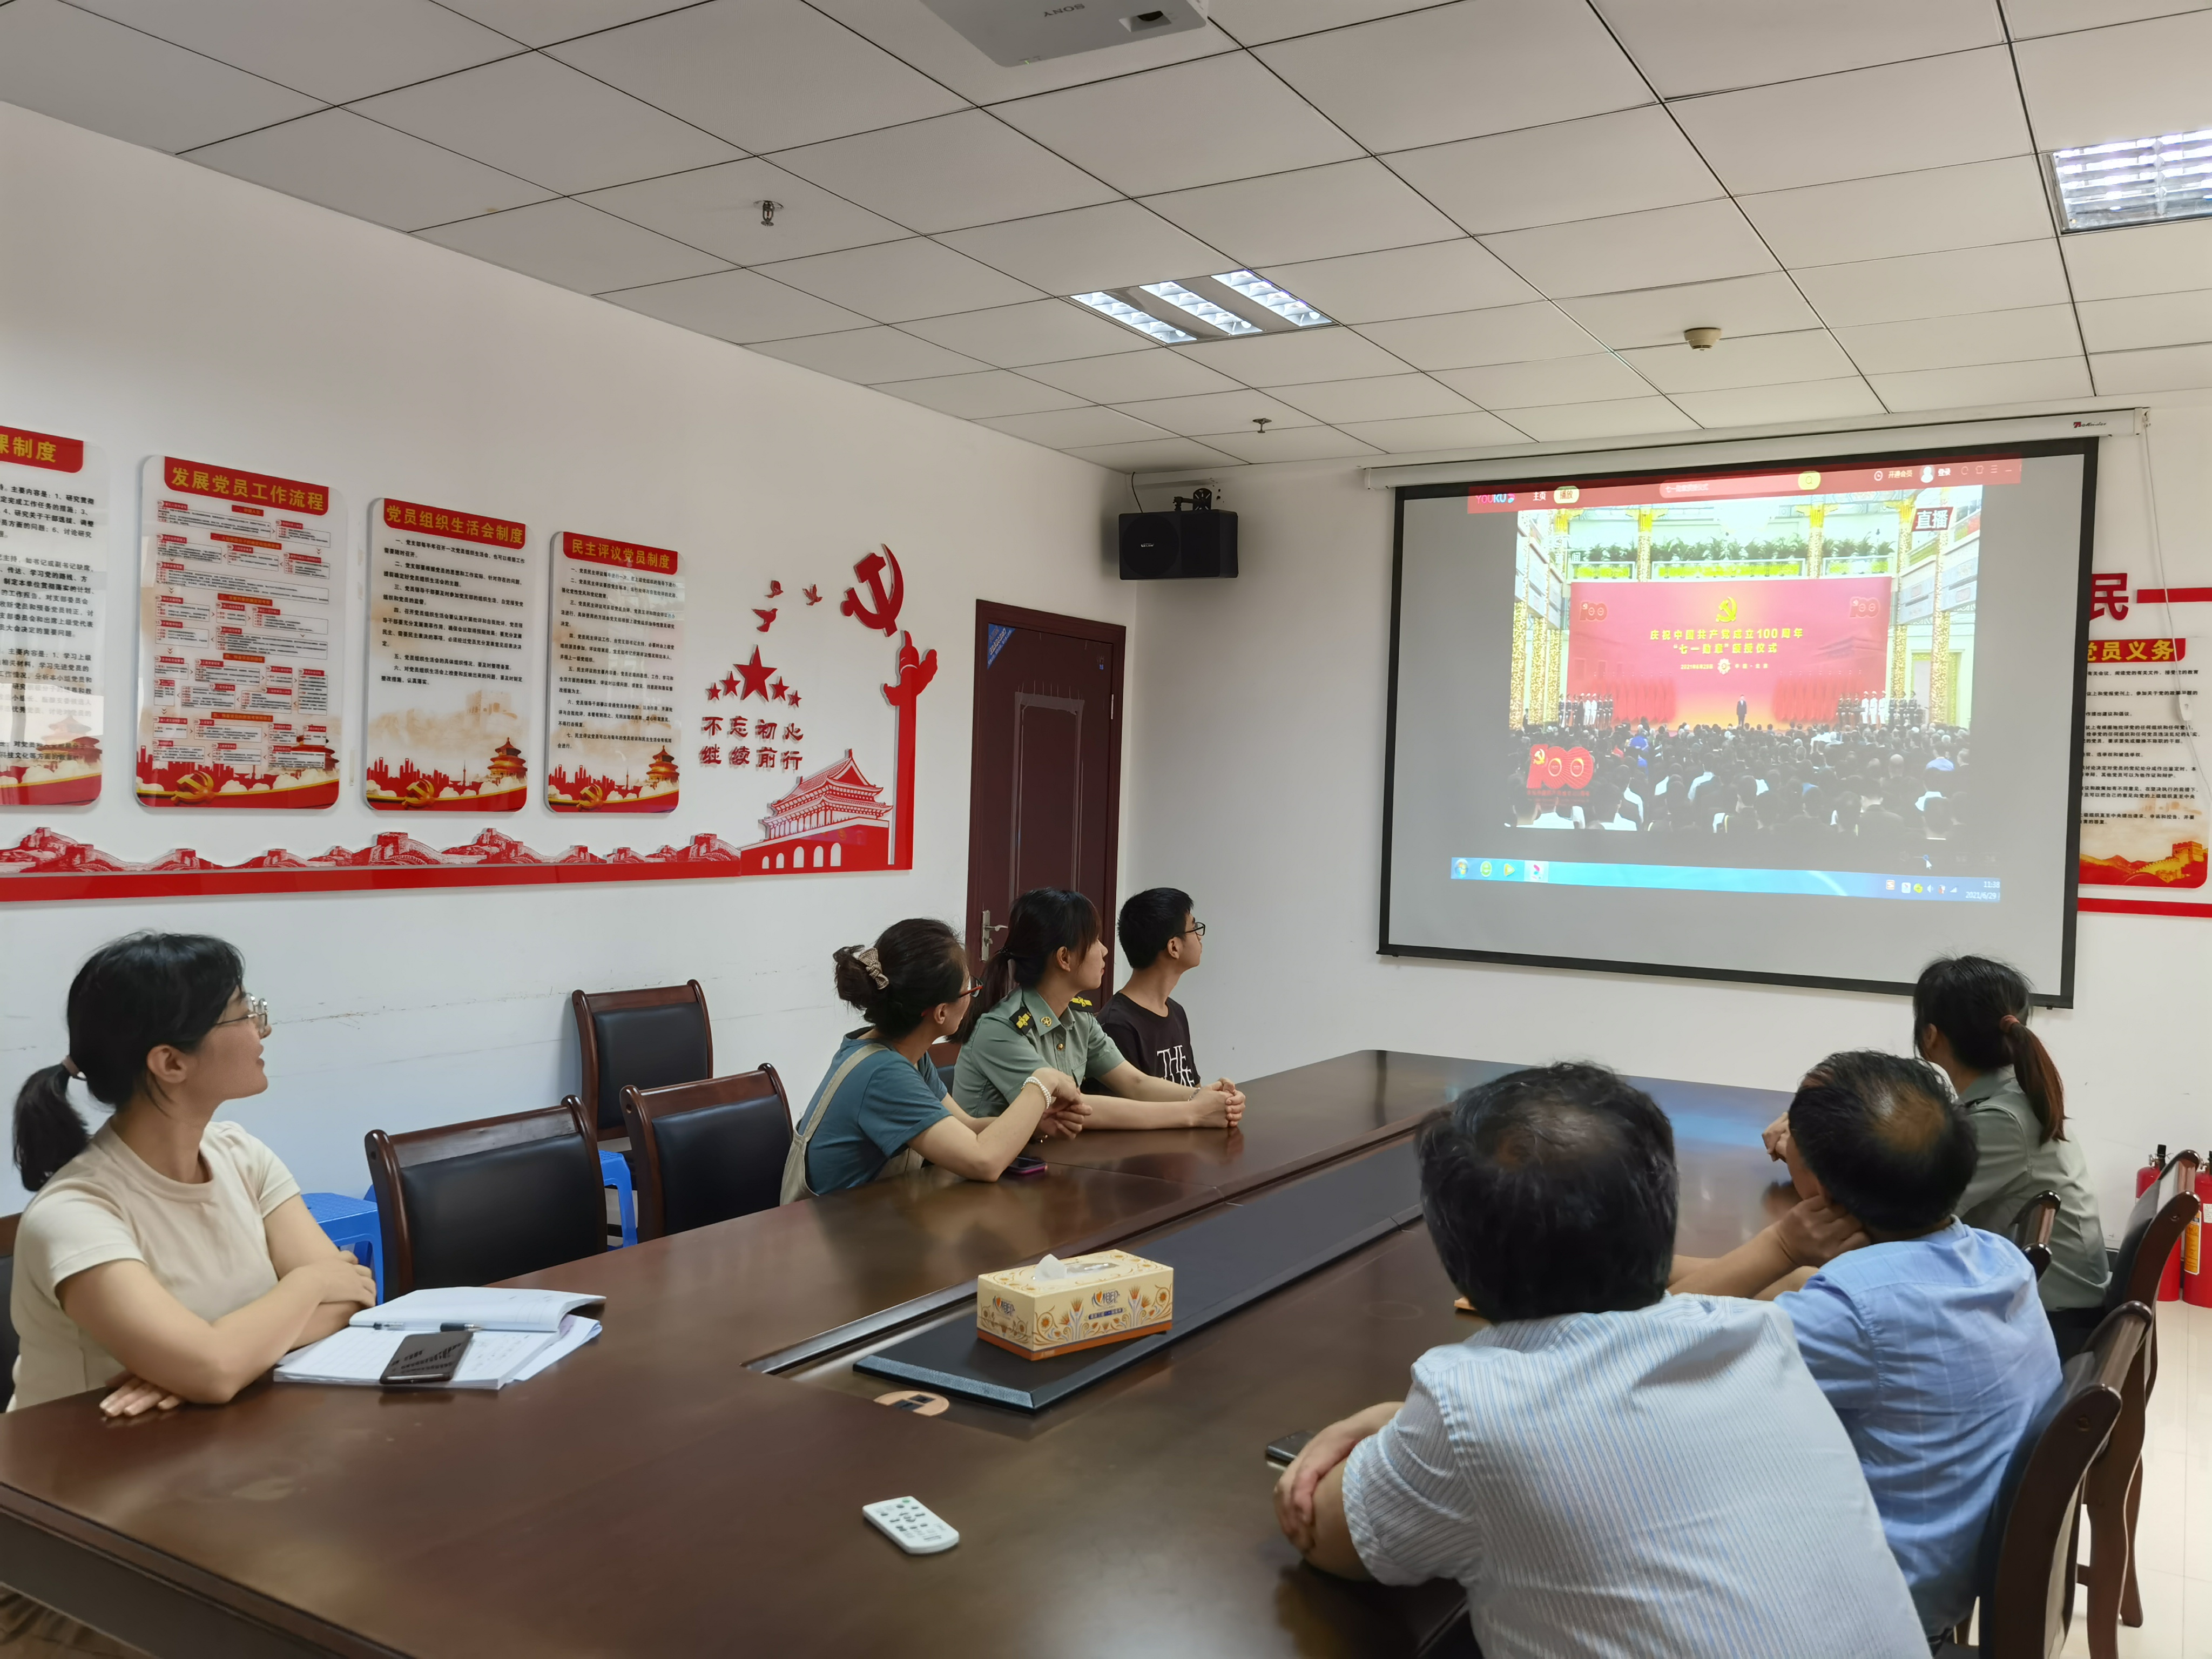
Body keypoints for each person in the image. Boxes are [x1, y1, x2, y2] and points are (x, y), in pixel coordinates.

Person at [1272, 1063, 1925, 1658]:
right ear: (1661, 1212)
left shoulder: (1475, 1404)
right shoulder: (1758, 1336)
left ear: (1454, 1252)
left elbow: (1322, 1528)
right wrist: (1399, 1420)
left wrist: (1387, 1428)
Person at [6, 934, 380, 1653]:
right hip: (71, 1557)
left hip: (212, 1491)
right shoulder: (76, 1214)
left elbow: (352, 1299)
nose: (263, 1030)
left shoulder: (240, 1155)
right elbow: (227, 1359)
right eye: (244, 1014)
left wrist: (220, 1354)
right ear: (170, 1063)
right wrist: (297, 1290)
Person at [1682, 1051, 2059, 1637]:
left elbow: (1662, 1347)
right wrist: (1654, 1269)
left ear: (1823, 1194)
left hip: (1872, 1612)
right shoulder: (1994, 1258)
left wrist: (1779, 1245)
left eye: (1793, 1142)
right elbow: (1816, 1290)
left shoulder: (1853, 1317)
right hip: (1947, 1567)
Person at [786, 919, 1088, 1196]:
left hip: (871, 1217)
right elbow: (983, 1161)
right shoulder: (883, 1073)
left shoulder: (906, 1053)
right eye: (969, 988)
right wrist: (1042, 1083)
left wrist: (1032, 1122)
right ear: (941, 1012)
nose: (972, 996)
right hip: (831, 1232)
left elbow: (965, 1127)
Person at [1914, 956, 2109, 1351]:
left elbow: (1914, 1218)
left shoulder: (2000, 1120)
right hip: (2053, 1298)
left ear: (1931, 1036)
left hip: (2055, 1321)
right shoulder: (2013, 1093)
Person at [953, 889, 1244, 1130]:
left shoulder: (1079, 1019)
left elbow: (1135, 1082)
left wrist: (1201, 1096)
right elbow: (1072, 1107)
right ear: (1065, 958)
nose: (1105, 950)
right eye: (1094, 941)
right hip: (990, 1176)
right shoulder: (1001, 1030)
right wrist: (1193, 1114)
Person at [1097, 888, 1204, 1087]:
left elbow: (1193, 1089)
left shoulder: (1176, 1012)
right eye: (1193, 927)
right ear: (1174, 947)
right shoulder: (1117, 1026)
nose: (1200, 936)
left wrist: (1217, 1097)